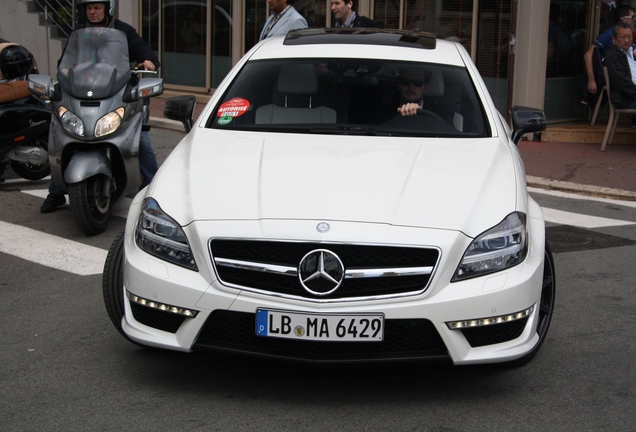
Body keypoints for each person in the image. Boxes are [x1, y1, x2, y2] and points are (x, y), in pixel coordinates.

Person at [41, 0, 160, 213]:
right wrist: (65, 71)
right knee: (60, 138)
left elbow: (142, 50)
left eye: (97, 7)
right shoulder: (78, 34)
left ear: (107, 9)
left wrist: (148, 60)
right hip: (83, 93)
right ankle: (56, 191)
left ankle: (154, 192)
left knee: (140, 141)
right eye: (89, 8)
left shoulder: (123, 30)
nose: (93, 12)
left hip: (118, 95)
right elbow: (64, 63)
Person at [583, 4, 635, 101]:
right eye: (632, 17)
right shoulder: (608, 35)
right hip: (618, 78)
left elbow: (634, 52)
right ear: (624, 19)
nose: (634, 19)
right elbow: (588, 54)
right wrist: (591, 80)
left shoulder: (628, 38)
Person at [603, 22, 636, 109]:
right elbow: (623, 83)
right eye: (622, 37)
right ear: (614, 39)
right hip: (626, 98)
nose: (626, 40)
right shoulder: (613, 56)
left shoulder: (630, 52)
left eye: (629, 37)